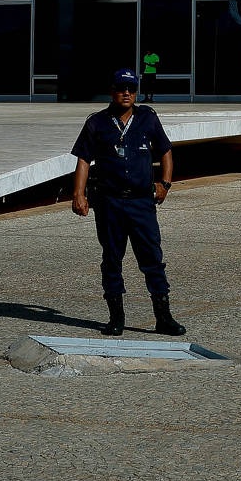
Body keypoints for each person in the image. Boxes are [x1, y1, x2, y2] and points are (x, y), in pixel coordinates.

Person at [69, 69, 183, 338]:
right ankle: (116, 318)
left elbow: (165, 150)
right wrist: (79, 194)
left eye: (131, 89)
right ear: (112, 91)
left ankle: (163, 317)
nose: (126, 93)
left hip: (141, 203)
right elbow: (84, 159)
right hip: (110, 202)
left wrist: (165, 184)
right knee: (112, 259)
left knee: (152, 258)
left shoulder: (147, 118)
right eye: (121, 88)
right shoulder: (97, 123)